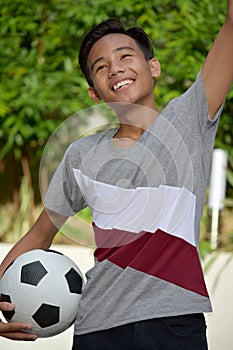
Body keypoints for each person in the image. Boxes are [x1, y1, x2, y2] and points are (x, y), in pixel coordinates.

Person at [0, 1, 233, 348]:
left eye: (126, 56)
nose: (115, 69)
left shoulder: (189, 118)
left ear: (153, 67)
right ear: (94, 92)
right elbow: (39, 235)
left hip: (173, 326)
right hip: (98, 328)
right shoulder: (82, 154)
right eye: (101, 66)